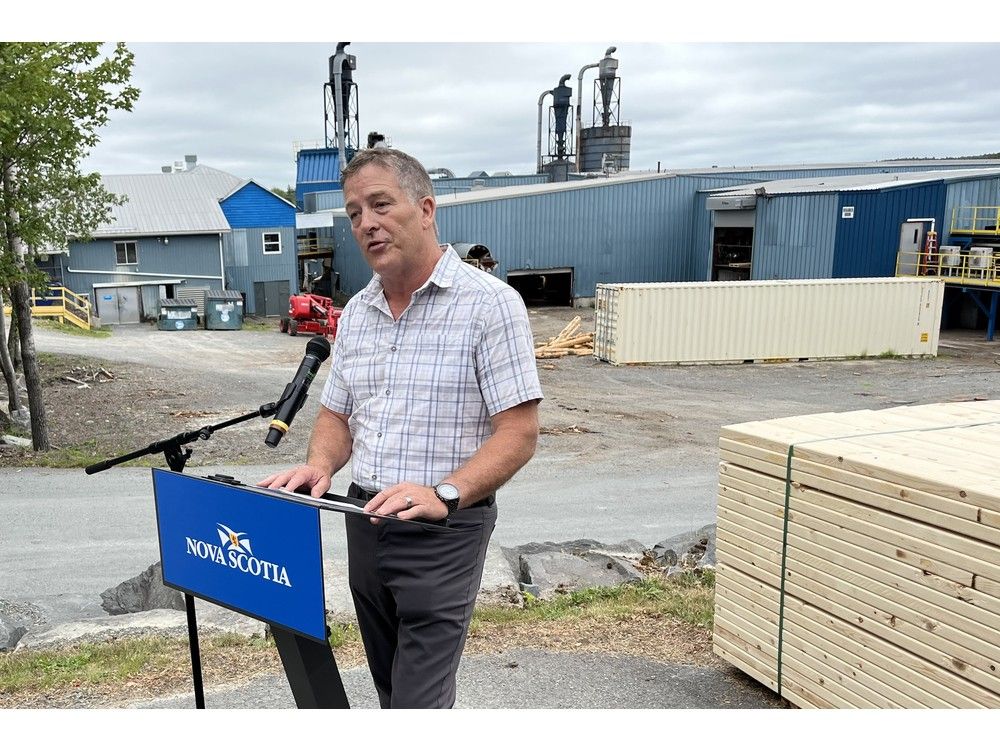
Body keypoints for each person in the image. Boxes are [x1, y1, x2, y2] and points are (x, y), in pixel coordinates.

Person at [259, 148, 543, 709]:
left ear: (426, 209)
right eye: (355, 212)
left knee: (419, 704)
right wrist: (319, 465)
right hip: (363, 520)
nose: (367, 223)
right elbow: (338, 412)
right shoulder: (358, 311)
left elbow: (519, 432)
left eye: (381, 204)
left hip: (440, 531)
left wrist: (445, 494)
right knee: (392, 691)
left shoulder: (490, 305)